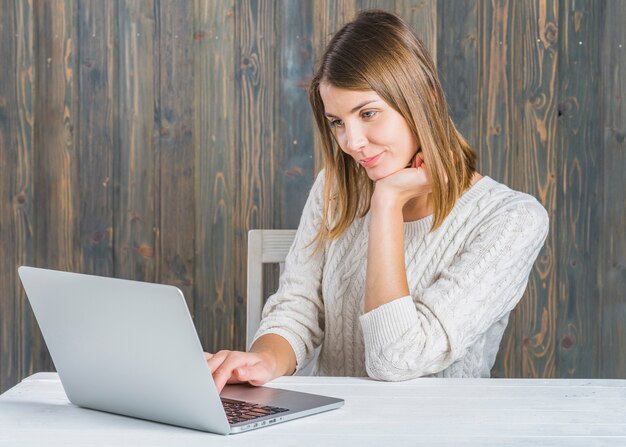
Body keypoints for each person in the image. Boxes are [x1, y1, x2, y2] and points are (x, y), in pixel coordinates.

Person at [205, 10, 549, 393]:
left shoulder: (511, 220)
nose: (351, 142)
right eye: (337, 121)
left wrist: (387, 203)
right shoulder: (335, 188)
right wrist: (263, 361)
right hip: (334, 424)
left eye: (368, 113)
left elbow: (395, 360)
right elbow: (297, 308)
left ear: (425, 99)